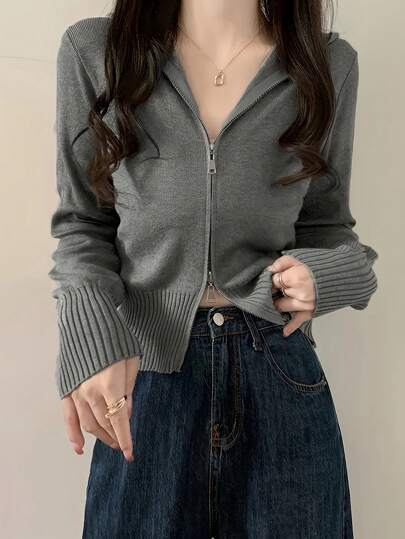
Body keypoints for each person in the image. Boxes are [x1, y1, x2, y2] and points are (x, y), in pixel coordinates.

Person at [48, 1, 378, 537]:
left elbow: (327, 227)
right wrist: (90, 340)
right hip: (146, 375)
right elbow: (82, 223)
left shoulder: (327, 63)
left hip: (277, 373)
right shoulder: (97, 53)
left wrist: (328, 276)